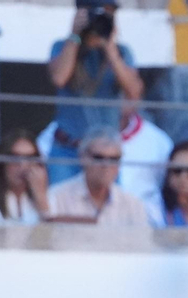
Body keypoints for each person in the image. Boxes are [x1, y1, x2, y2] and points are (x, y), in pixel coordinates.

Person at [46, 2, 143, 181]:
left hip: (105, 154)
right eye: (95, 13)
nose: (100, 18)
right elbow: (59, 78)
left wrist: (110, 47)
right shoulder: (62, 46)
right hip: (67, 150)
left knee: (111, 208)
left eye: (108, 13)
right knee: (61, 206)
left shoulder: (122, 52)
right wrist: (75, 35)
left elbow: (133, 91)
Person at [45, 127, 150, 225]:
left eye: (113, 159)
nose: (106, 165)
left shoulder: (133, 206)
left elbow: (141, 244)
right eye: (98, 158)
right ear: (82, 157)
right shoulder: (56, 198)